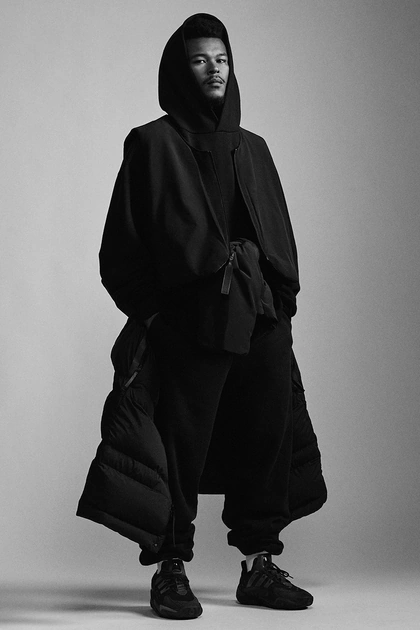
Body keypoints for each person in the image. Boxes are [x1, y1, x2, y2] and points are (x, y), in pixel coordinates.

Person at [77, 13, 327, 620]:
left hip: (260, 320)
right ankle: (171, 570)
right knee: (178, 446)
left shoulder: (254, 147)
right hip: (191, 323)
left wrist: (280, 306)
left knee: (265, 438)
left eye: (222, 59)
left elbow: (279, 234)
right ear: (178, 69)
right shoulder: (150, 144)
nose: (214, 70)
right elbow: (120, 249)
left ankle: (259, 566)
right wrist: (158, 317)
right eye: (199, 60)